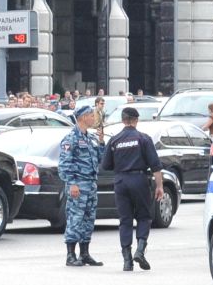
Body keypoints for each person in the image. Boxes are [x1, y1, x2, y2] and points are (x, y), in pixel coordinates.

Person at [101, 106, 162, 272]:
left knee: (125, 220)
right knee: (144, 216)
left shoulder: (114, 140)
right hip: (139, 179)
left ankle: (127, 261)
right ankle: (140, 251)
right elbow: (155, 166)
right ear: (136, 120)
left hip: (120, 181)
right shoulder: (143, 138)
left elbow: (106, 165)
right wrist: (160, 186)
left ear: (123, 120)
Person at [58, 104, 104, 267]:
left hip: (90, 185)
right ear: (83, 117)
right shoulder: (71, 138)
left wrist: (101, 142)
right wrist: (72, 183)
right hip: (78, 184)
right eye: (91, 115)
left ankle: (84, 253)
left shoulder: (89, 138)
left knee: (88, 219)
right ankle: (70, 255)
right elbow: (64, 164)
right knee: (75, 218)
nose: (93, 118)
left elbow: (99, 160)